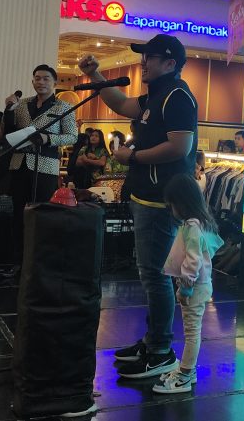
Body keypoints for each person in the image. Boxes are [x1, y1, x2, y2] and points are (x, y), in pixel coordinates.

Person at [79, 33, 198, 379]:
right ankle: (153, 341)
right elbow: (121, 104)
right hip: (145, 196)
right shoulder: (155, 96)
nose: (143, 63)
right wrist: (96, 76)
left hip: (160, 200)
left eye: (150, 57)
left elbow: (180, 147)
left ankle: (160, 351)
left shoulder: (177, 96)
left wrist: (132, 157)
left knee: (155, 276)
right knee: (150, 274)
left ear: (170, 63)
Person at [2, 65, 78, 276]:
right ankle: (18, 260)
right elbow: (9, 131)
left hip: (45, 167)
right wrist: (8, 110)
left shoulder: (63, 107)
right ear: (32, 81)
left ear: (55, 82)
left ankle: (39, 262)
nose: (41, 82)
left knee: (41, 215)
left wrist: (48, 138)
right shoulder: (21, 104)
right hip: (19, 164)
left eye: (46, 78)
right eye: (37, 78)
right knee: (19, 215)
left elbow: (72, 136)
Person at [153, 173, 223, 394]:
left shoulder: (192, 226)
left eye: (171, 205)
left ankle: (185, 374)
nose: (171, 210)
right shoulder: (200, 223)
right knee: (191, 330)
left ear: (181, 203)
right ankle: (187, 371)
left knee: (192, 332)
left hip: (195, 287)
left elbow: (193, 260)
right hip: (199, 286)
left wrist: (185, 288)